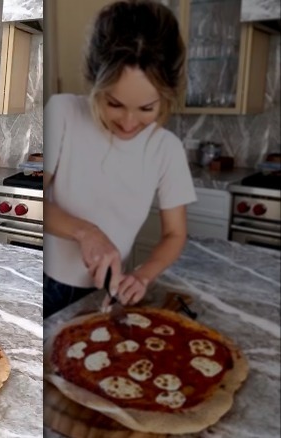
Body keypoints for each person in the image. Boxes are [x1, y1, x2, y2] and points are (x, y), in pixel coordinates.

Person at [42, 0, 196, 318]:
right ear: (95, 82)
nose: (128, 122)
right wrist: (86, 232)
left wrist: (143, 275)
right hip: (46, 283)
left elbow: (175, 234)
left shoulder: (166, 149)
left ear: (166, 97)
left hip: (109, 289)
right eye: (113, 103)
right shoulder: (63, 113)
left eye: (146, 109)